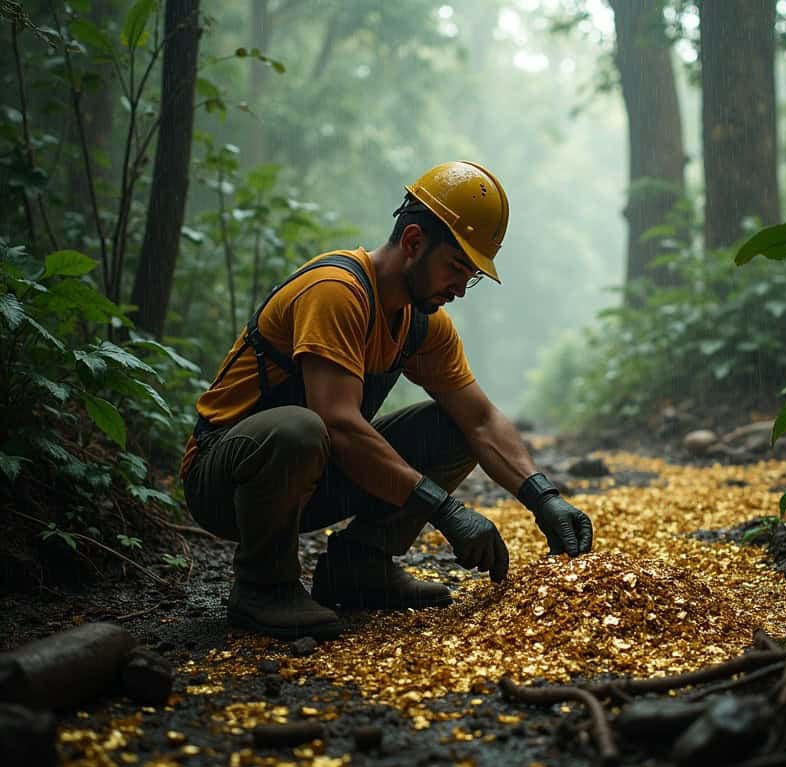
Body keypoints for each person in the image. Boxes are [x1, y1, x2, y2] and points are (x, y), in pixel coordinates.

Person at [180, 161, 594, 640]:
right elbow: (336, 424)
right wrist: (447, 512)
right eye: (456, 268)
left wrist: (543, 497)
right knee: (302, 427)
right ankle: (263, 586)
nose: (461, 288)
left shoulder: (423, 322)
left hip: (312, 477)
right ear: (414, 242)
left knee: (454, 428)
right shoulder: (336, 292)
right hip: (225, 482)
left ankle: (360, 566)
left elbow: (480, 421)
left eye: (471, 276)